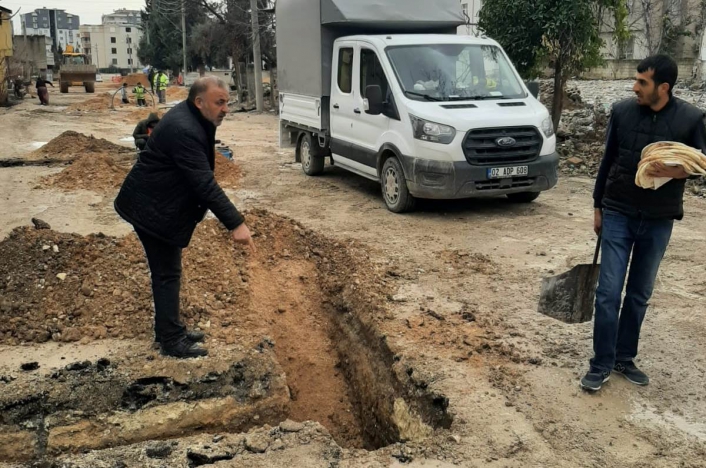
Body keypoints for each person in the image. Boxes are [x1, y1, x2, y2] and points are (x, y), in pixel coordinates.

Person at [581, 55, 706, 392]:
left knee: (638, 294)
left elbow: (701, 162)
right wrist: (597, 207)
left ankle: (624, 357)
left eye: (642, 82)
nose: (634, 87)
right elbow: (607, 161)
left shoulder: (691, 119)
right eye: (635, 80)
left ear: (663, 87)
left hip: (659, 219)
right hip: (618, 211)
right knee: (608, 293)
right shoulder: (622, 112)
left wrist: (677, 171)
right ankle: (601, 363)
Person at [115, 77, 254, 359]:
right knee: (167, 273)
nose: (226, 109)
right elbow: (203, 183)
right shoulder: (184, 129)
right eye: (220, 102)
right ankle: (171, 340)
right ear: (199, 102)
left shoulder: (194, 118)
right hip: (150, 208)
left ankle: (168, 330)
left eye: (227, 102)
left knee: (167, 271)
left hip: (157, 204)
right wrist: (236, 223)